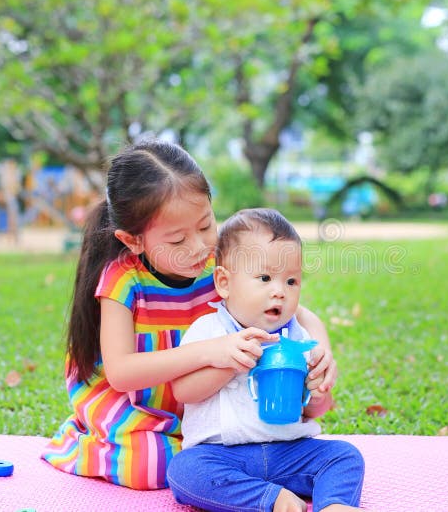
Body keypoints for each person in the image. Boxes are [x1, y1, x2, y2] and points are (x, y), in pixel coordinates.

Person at [41, 140, 337, 490]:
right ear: (133, 240)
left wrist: (321, 350)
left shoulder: (218, 267)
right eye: (178, 240)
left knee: (232, 448)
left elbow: (300, 314)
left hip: (199, 400)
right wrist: (211, 351)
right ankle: (83, 442)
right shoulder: (124, 280)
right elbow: (121, 373)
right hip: (134, 402)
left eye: (205, 225)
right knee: (153, 467)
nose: (198, 248)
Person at [167, 208, 365, 512]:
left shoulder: (298, 338)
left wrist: (320, 390)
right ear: (224, 282)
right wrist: (230, 363)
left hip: (289, 451)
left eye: (291, 281)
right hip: (222, 453)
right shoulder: (208, 330)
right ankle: (272, 499)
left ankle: (334, 505)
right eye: (264, 278)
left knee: (345, 456)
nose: (279, 292)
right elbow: (183, 392)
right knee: (184, 472)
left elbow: (314, 411)